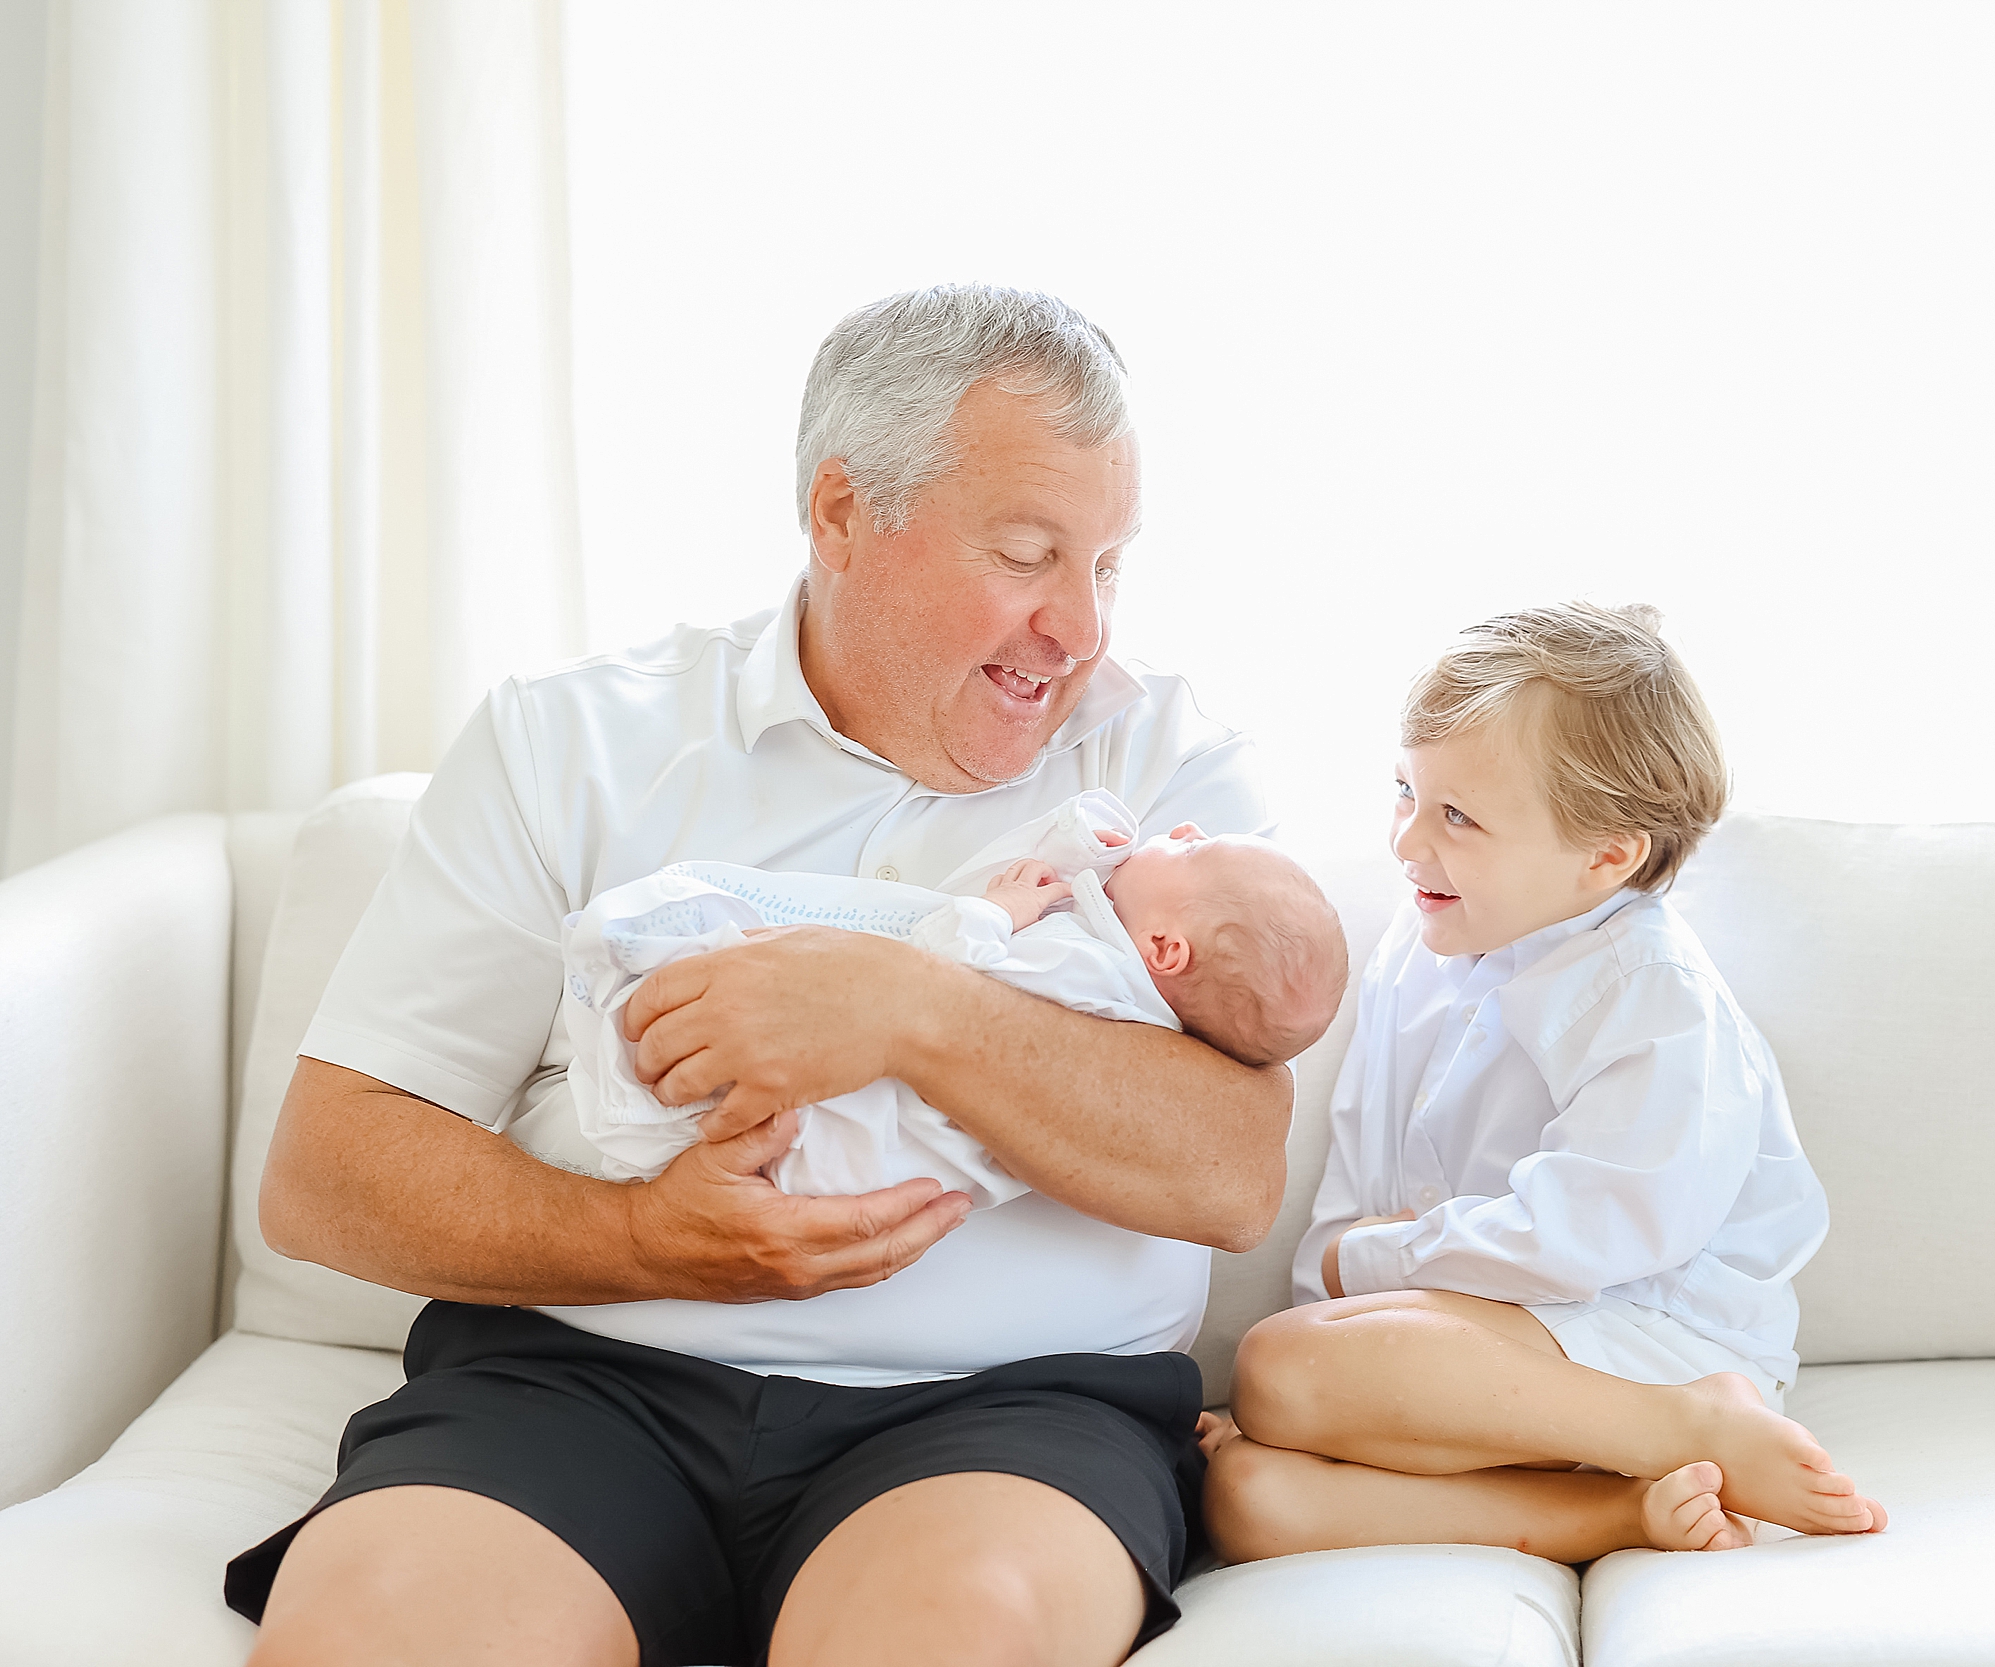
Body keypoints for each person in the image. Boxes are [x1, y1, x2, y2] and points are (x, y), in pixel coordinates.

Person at [235, 285, 1296, 1667]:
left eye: (1107, 564)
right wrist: (639, 1243)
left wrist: (910, 1007)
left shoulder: (1166, 770)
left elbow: (1233, 1172)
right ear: (844, 514)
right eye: (1031, 553)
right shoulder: (573, 740)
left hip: (1005, 1414)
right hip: (579, 1381)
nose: (1080, 628)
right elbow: (326, 1173)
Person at [1200, 603, 1888, 1566]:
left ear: (1608, 854)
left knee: (1278, 1366)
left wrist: (1373, 1265)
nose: (1405, 842)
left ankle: (1692, 1425)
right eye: (1406, 790)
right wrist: (1359, 1266)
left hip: (1642, 1336)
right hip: (1484, 1345)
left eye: (1456, 817)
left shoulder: (1655, 998)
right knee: (1246, 1496)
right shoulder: (1421, 946)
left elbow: (1575, 1241)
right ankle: (1624, 1512)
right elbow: (1351, 1213)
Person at [565, 804, 1348, 1204]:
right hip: (870, 1158)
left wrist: (997, 914)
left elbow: (954, 966)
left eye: (1194, 848)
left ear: (1165, 952)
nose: (1181, 826)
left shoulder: (1090, 973)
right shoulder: (1130, 981)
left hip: (872, 1145)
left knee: (732, 1002)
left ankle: (643, 962)